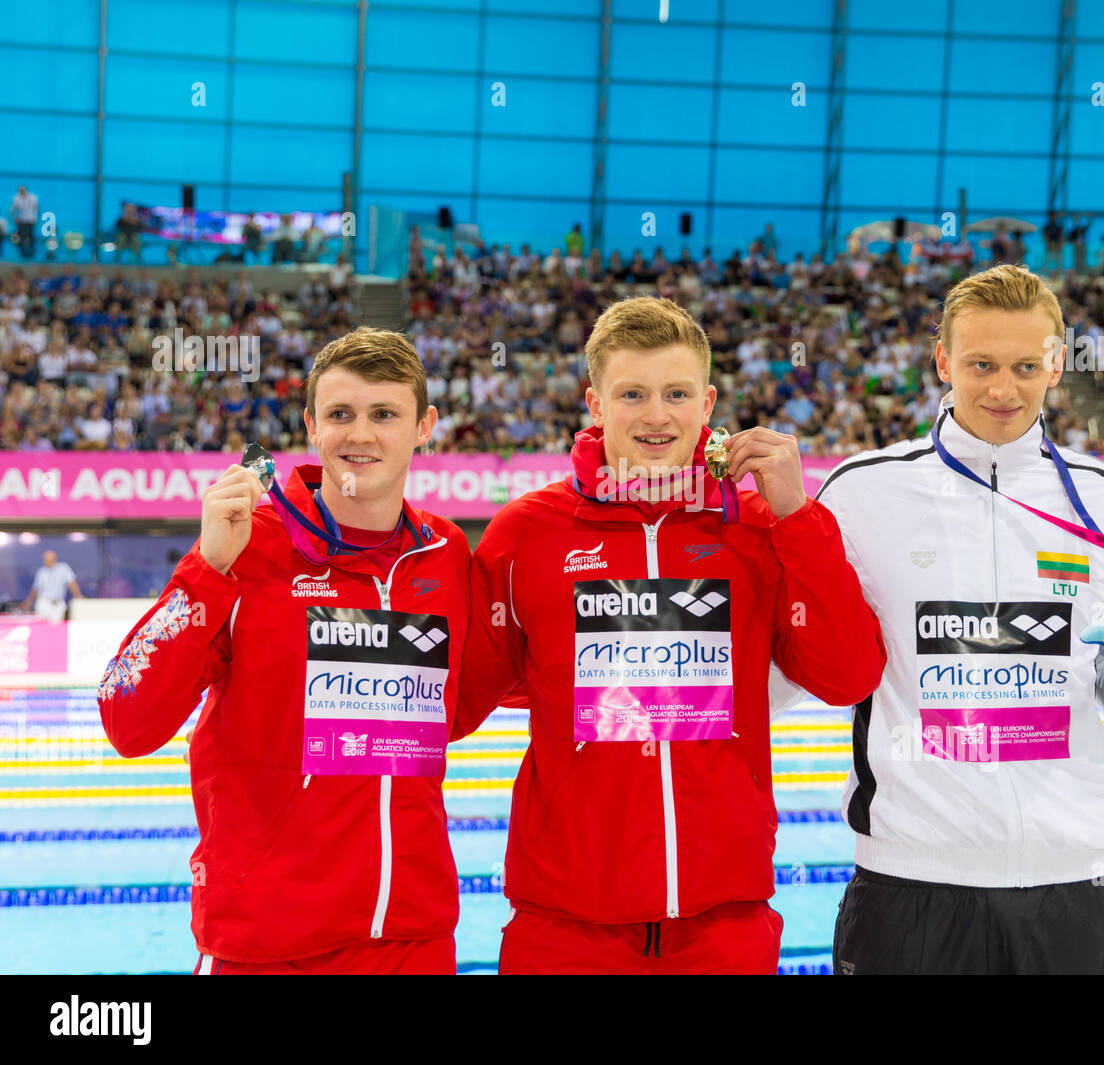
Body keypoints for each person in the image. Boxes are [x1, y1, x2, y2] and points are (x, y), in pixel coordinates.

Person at [773, 264, 1104, 975]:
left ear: (1057, 364)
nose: (1003, 388)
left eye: (1026, 365)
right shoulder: (862, 491)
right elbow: (807, 659)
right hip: (909, 885)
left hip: (1072, 883)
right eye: (981, 364)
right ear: (943, 359)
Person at [454, 295, 886, 975]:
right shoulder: (525, 533)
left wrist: (799, 517)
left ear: (707, 402)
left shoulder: (760, 526)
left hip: (724, 921)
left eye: (676, 392)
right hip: (564, 923)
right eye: (633, 393)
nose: (657, 415)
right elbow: (450, 703)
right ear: (595, 403)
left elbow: (848, 676)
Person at [97, 327, 469, 975]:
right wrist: (208, 567)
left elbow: (464, 703)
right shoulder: (249, 545)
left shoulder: (445, 556)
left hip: (413, 939)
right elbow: (127, 720)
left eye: (384, 414)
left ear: (424, 426)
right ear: (310, 426)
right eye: (341, 414)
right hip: (266, 945)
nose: (361, 434)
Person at [20, 550, 81, 622]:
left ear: (54, 558)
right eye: (45, 558)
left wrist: (78, 595)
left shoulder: (63, 568)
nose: (46, 560)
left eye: (48, 558)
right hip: (43, 602)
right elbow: (35, 590)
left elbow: (72, 583)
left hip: (58, 604)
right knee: (41, 626)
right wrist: (28, 602)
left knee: (56, 627)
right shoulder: (41, 571)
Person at [10, 184, 38, 259]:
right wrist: (15, 217)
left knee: (30, 236)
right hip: (21, 220)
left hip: (30, 219)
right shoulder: (17, 197)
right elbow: (15, 208)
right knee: (20, 237)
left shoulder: (32, 197)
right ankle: (22, 252)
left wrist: (35, 217)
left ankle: (32, 252)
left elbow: (36, 207)